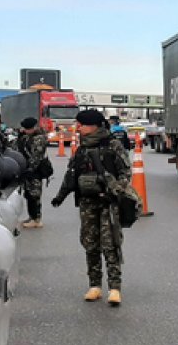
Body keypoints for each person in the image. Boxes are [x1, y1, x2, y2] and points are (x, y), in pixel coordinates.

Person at [51, 108, 131, 306]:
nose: (78, 128)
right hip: (87, 203)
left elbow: (125, 172)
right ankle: (94, 285)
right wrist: (60, 196)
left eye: (82, 124)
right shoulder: (82, 148)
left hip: (107, 203)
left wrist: (115, 191)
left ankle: (114, 288)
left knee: (110, 243)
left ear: (94, 125)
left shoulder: (112, 145)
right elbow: (72, 175)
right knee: (90, 244)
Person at [17, 117, 49, 228]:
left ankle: (36, 219)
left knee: (34, 195)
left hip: (36, 171)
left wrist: (30, 169)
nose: (25, 130)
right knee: (29, 194)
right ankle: (32, 216)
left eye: (27, 128)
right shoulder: (29, 137)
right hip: (30, 171)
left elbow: (36, 157)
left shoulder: (39, 138)